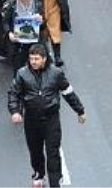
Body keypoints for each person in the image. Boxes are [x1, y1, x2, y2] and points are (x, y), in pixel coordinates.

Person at [7, 44, 87, 188]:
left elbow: (68, 92)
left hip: (51, 120)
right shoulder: (22, 74)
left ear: (44, 59)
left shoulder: (56, 73)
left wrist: (80, 110)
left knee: (53, 152)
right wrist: (15, 111)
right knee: (35, 151)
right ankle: (38, 174)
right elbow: (14, 93)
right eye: (31, 59)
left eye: (37, 59)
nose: (33, 62)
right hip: (32, 121)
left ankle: (55, 181)